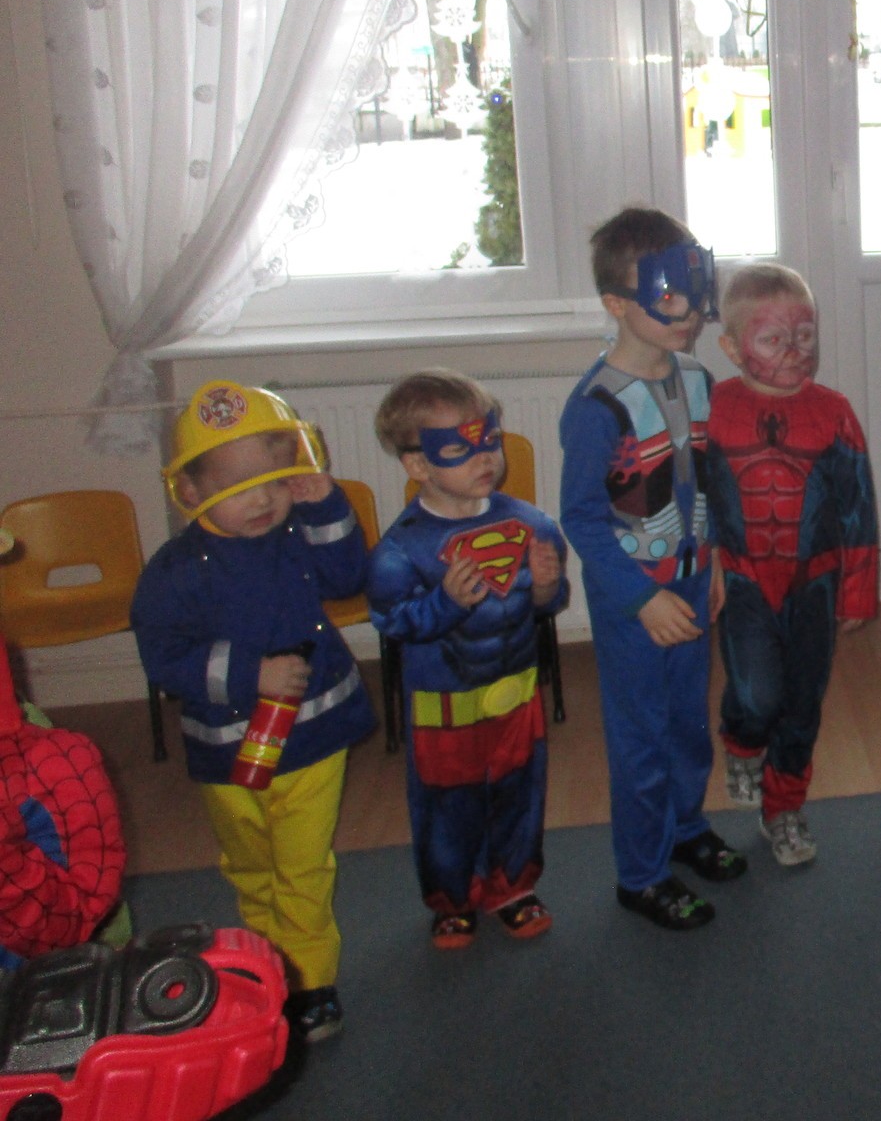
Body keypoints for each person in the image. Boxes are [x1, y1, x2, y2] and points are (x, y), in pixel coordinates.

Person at [131, 380, 378, 1042]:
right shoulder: (174, 572)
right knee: (250, 863)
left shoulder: (298, 534)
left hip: (314, 734)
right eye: (240, 487)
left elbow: (347, 576)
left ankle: (310, 981)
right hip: (226, 748)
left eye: (274, 480)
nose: (263, 499)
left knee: (302, 866)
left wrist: (325, 504)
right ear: (189, 492)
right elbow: (163, 656)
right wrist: (250, 673)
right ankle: (267, 962)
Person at [560, 207, 745, 931]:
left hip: (693, 578)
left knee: (687, 724)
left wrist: (715, 559)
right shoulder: (595, 407)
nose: (690, 314)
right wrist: (640, 598)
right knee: (641, 738)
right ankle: (640, 875)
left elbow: (706, 481)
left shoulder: (697, 379)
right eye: (670, 299)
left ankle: (685, 828)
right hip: (633, 598)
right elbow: (582, 518)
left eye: (697, 295)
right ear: (617, 304)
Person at [367, 370, 569, 947]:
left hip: (515, 695)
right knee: (446, 808)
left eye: (490, 439)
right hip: (444, 708)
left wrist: (545, 588)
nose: (485, 457)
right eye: (459, 448)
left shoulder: (531, 524)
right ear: (418, 464)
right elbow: (393, 622)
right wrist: (445, 604)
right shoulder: (401, 550)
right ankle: (452, 899)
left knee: (519, 795)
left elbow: (546, 605)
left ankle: (513, 888)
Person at [707, 263, 878, 867]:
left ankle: (783, 809)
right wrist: (703, 565)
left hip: (815, 584)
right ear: (733, 348)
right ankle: (742, 742)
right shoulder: (712, 410)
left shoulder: (834, 412)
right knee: (756, 695)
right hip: (744, 579)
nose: (794, 351)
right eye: (773, 339)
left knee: (803, 704)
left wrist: (857, 592)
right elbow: (694, 497)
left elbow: (858, 507)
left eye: (805, 336)